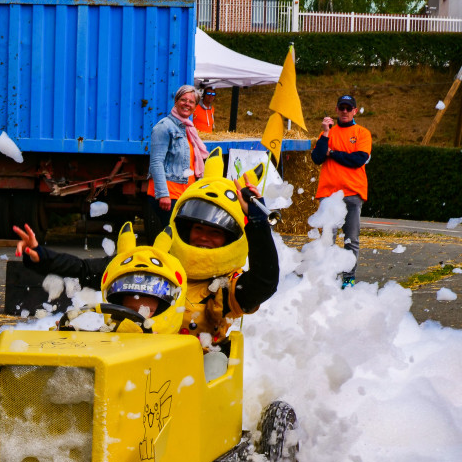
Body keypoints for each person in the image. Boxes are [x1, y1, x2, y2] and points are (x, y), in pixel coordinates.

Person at [16, 148, 278, 346]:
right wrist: (41, 256)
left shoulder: (226, 287)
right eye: (199, 229)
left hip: (192, 379)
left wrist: (256, 221)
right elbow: (85, 271)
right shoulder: (154, 263)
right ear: (186, 229)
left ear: (228, 239)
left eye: (214, 233)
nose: (204, 237)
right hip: (133, 363)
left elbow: (265, 282)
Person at [310, 94, 371, 288]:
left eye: (348, 108)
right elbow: (317, 157)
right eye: (341, 108)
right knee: (327, 239)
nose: (344, 111)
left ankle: (348, 278)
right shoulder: (326, 134)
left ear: (355, 110)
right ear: (336, 110)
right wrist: (326, 133)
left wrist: (333, 153)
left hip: (352, 193)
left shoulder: (362, 133)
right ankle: (327, 278)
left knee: (351, 239)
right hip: (329, 195)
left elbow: (358, 159)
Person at [146, 85, 209, 241]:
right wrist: (163, 194)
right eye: (183, 100)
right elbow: (156, 162)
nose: (187, 104)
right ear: (176, 101)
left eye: (191, 102)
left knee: (181, 239)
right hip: (169, 194)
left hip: (184, 194)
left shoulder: (188, 129)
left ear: (195, 107)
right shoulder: (164, 127)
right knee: (176, 238)